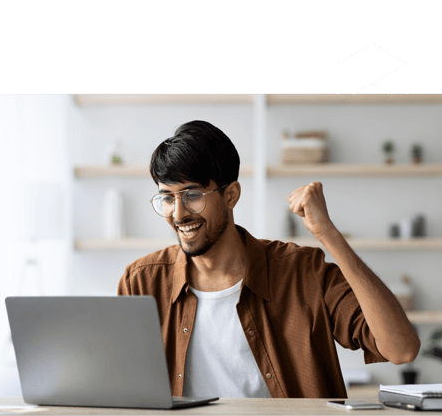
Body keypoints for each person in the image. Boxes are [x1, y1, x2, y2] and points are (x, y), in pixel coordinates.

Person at [117, 120, 420, 398]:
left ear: (231, 195)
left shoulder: (303, 271)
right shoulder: (142, 280)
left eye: (192, 195)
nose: (179, 213)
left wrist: (327, 233)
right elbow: (119, 385)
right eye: (168, 198)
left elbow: (402, 350)